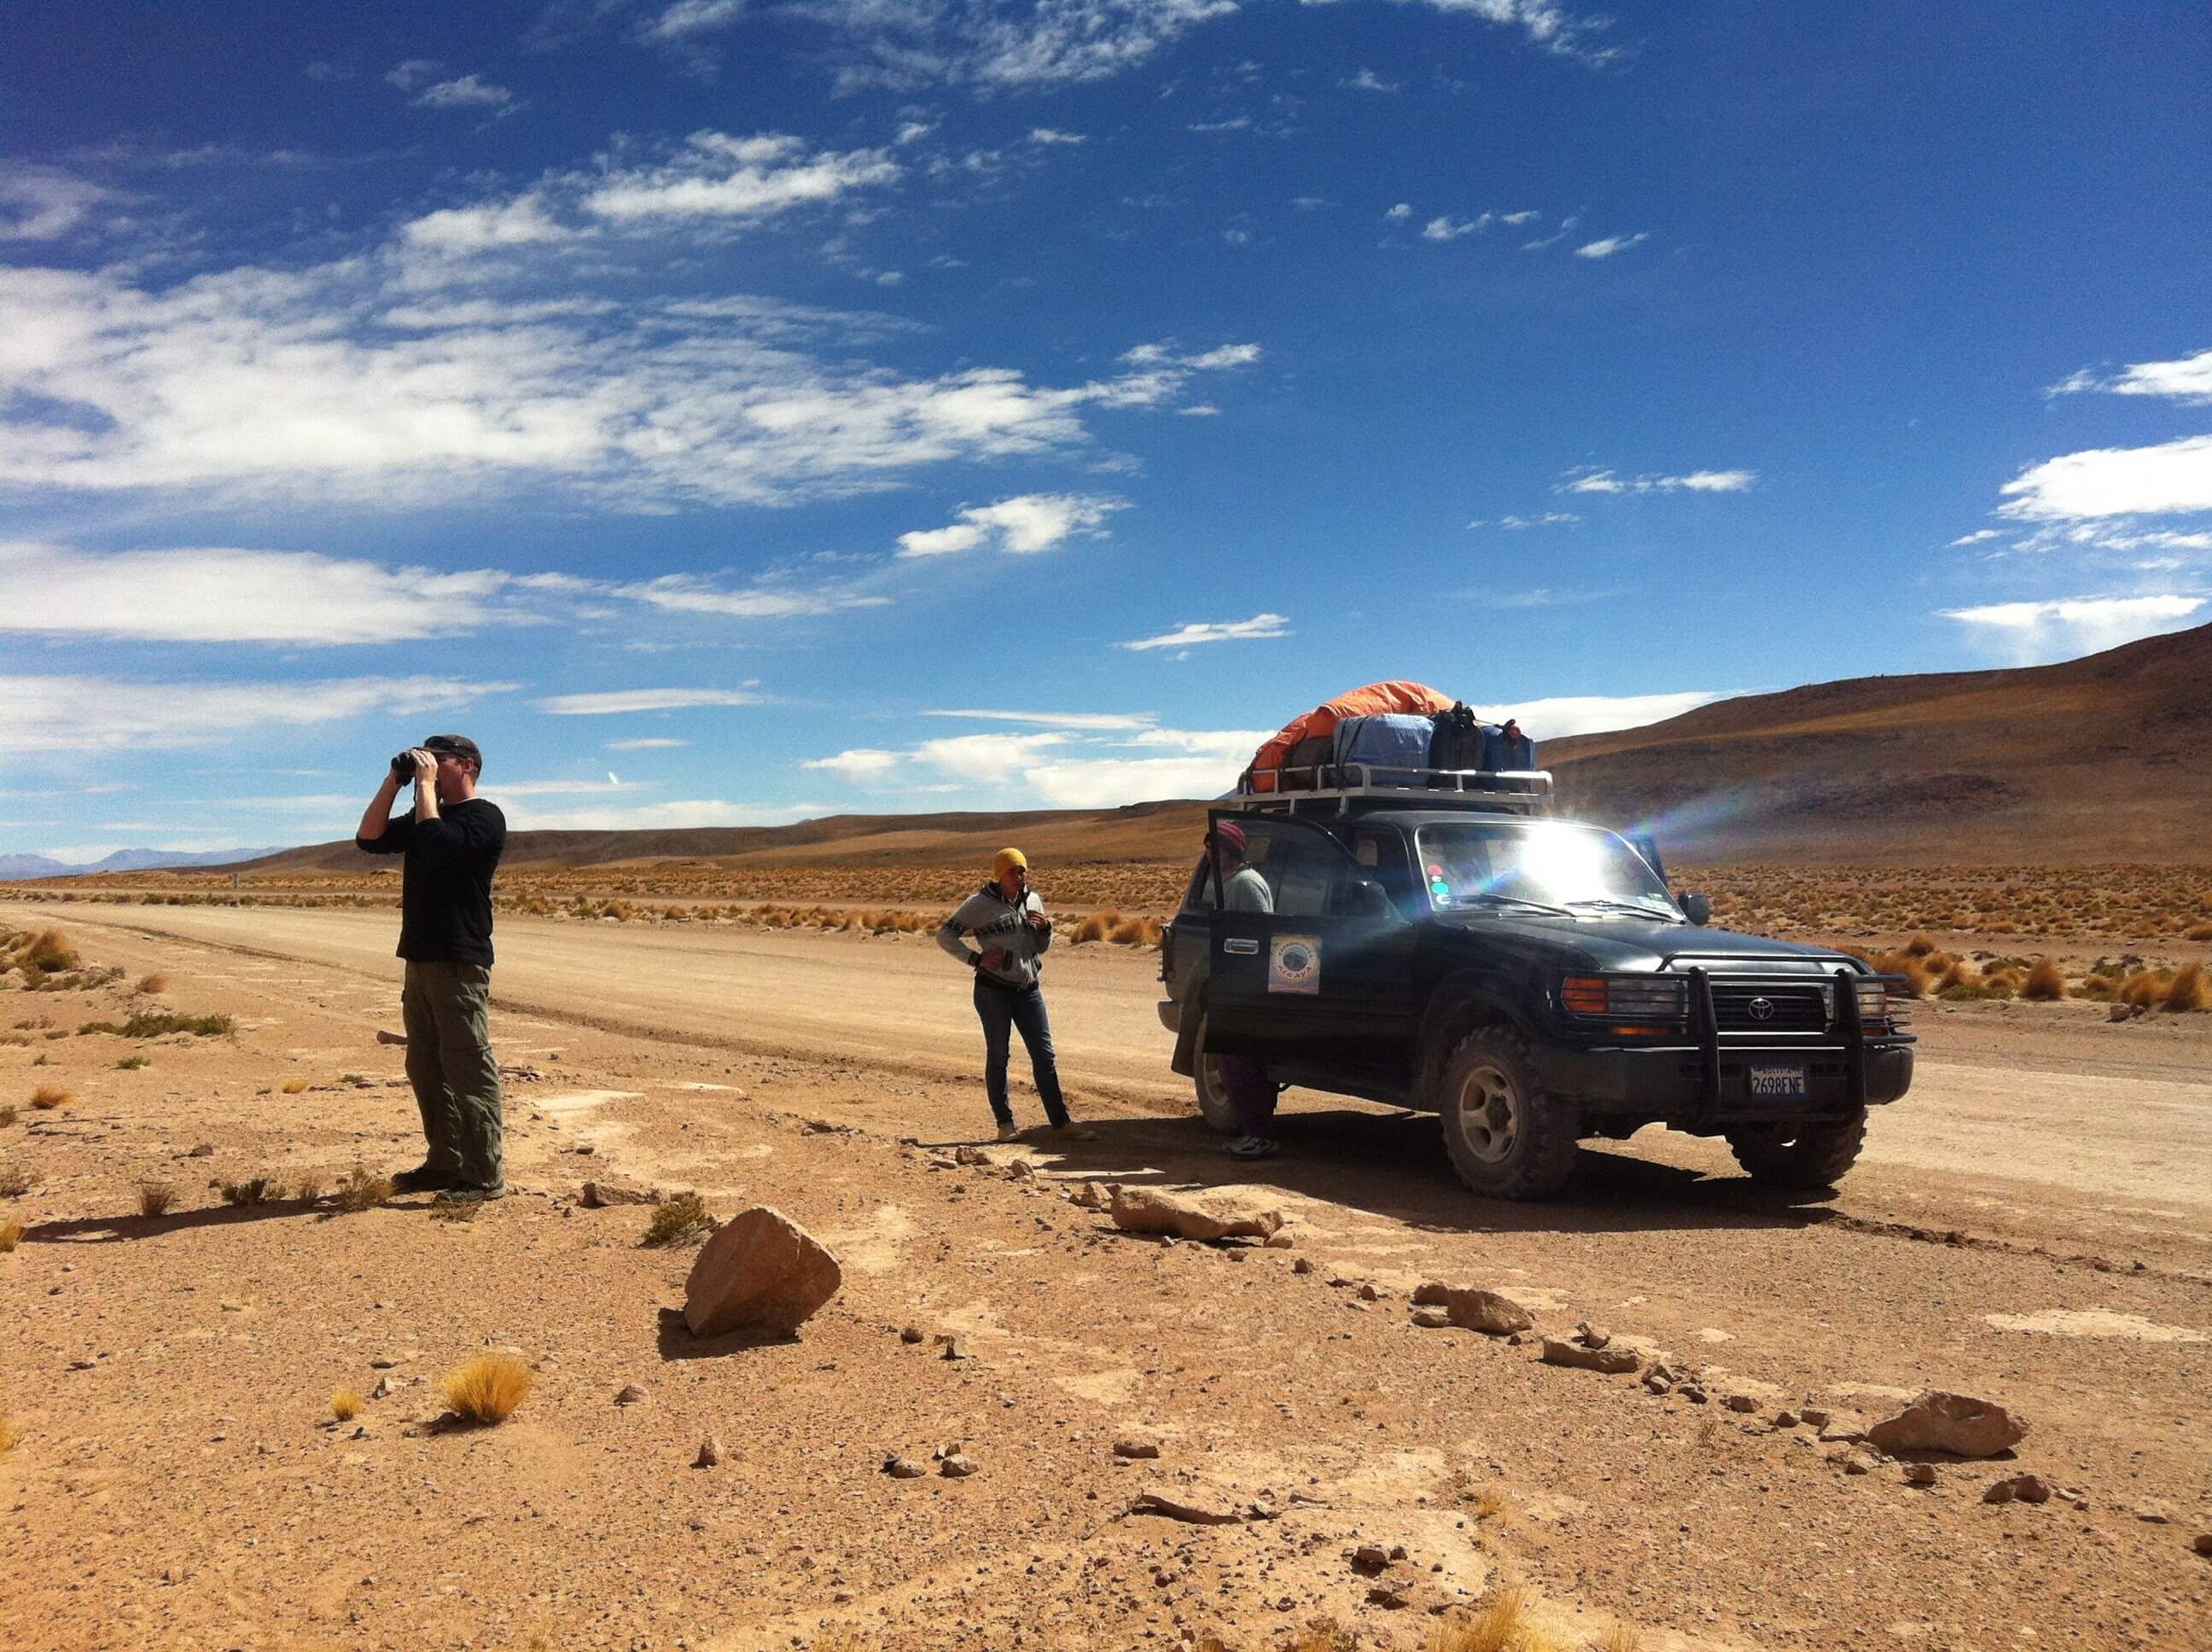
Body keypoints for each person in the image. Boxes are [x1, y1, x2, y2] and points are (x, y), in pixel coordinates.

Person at [354, 735, 509, 1200]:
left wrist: (424, 786)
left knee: (466, 1063)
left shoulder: (484, 817)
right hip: (419, 958)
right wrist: (393, 782)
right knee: (425, 1064)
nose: (430, 766)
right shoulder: (426, 815)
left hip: (459, 959)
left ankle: (484, 1174)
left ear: (465, 766)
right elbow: (369, 838)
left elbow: (438, 842)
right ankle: (444, 1162)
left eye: (438, 760)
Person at [937, 848, 1094, 1143]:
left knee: (1044, 1055)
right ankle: (1005, 1124)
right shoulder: (979, 904)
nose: (1020, 877)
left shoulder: (1032, 900)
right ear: (999, 874)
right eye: (1013, 871)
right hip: (993, 991)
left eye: (1023, 871)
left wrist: (1046, 928)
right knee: (999, 1056)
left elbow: (1040, 947)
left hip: (1028, 990)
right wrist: (975, 959)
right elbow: (945, 935)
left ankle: (1060, 1122)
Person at [1210, 821, 1281, 1160]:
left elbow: (1260, 934)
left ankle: (1260, 1133)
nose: (1209, 853)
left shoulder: (1247, 884)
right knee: (1232, 1059)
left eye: (1216, 847)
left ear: (1231, 850)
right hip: (1233, 983)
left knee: (1243, 1061)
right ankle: (1253, 1131)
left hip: (1248, 985)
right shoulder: (1229, 883)